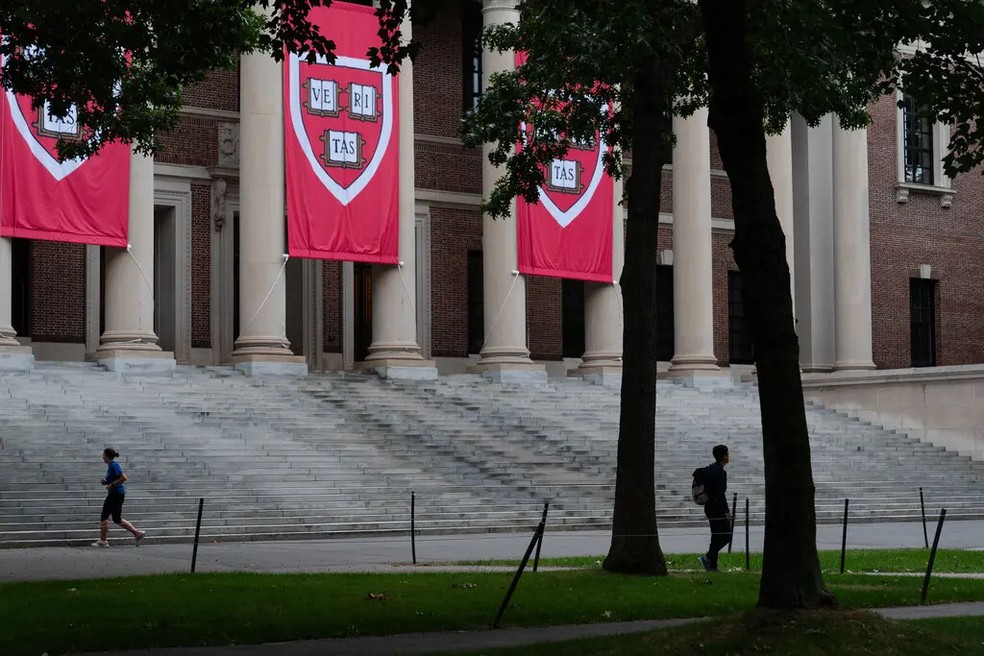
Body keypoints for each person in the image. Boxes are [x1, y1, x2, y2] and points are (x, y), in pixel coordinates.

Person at [92, 448, 146, 547]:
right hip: (117, 494)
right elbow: (114, 479)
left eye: (103, 455)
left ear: (107, 456)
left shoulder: (114, 465)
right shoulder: (111, 466)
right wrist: (105, 482)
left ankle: (103, 541)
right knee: (117, 519)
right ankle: (137, 533)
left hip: (115, 494)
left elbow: (124, 477)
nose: (102, 457)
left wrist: (112, 484)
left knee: (104, 515)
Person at [698, 444, 732, 572]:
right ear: (724, 456)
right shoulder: (720, 472)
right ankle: (707, 557)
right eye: (728, 453)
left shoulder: (711, 469)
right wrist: (727, 511)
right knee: (726, 535)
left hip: (710, 506)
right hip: (717, 508)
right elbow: (720, 494)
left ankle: (712, 566)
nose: (729, 456)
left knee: (716, 536)